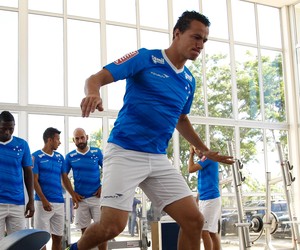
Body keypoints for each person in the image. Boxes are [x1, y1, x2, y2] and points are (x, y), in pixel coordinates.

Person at [71, 10, 234, 250]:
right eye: (196, 37)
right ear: (177, 33)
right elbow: (95, 78)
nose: (200, 45)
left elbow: (181, 119)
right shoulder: (145, 58)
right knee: (112, 226)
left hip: (157, 158)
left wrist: (204, 150)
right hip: (125, 151)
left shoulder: (188, 80)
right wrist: (93, 93)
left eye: (204, 40)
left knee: (194, 220)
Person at [32, 127, 75, 250]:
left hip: (59, 203)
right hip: (42, 203)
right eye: (58, 139)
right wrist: (44, 200)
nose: (60, 142)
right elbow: (34, 181)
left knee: (58, 238)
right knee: (41, 240)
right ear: (50, 140)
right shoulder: (36, 156)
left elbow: (65, 179)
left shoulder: (60, 157)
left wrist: (73, 195)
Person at [0, 111, 35, 240]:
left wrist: (31, 200)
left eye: (11, 129)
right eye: (3, 129)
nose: (8, 132)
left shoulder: (22, 145)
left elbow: (28, 172)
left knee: (18, 243)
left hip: (17, 203)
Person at [63, 128, 104, 236]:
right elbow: (63, 177)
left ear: (87, 137)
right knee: (85, 233)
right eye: (77, 139)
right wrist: (73, 194)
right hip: (81, 200)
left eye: (82, 137)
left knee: (101, 231)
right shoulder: (69, 157)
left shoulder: (97, 152)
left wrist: (103, 186)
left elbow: (108, 169)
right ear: (74, 140)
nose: (80, 141)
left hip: (97, 198)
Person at [188, 145, 221, 250]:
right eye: (195, 149)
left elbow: (190, 169)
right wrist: (197, 199)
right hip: (205, 199)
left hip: (211, 199)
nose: (197, 151)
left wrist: (191, 154)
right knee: (212, 232)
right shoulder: (203, 160)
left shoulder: (208, 157)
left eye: (198, 148)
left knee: (204, 231)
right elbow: (203, 182)